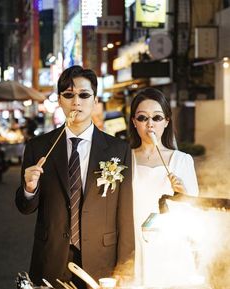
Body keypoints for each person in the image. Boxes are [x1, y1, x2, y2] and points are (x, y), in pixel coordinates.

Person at [15, 65, 134, 288]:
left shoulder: (118, 150)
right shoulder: (38, 147)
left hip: (102, 259)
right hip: (51, 257)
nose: (76, 102)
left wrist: (125, 267)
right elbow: (25, 207)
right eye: (69, 95)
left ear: (95, 100)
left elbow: (125, 214)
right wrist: (29, 189)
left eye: (84, 95)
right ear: (60, 100)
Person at [129, 87, 199, 287]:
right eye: (142, 118)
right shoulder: (123, 159)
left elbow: (194, 210)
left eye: (157, 118)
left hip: (169, 242)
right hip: (134, 240)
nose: (150, 124)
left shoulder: (182, 161)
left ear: (167, 121)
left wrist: (183, 193)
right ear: (134, 122)